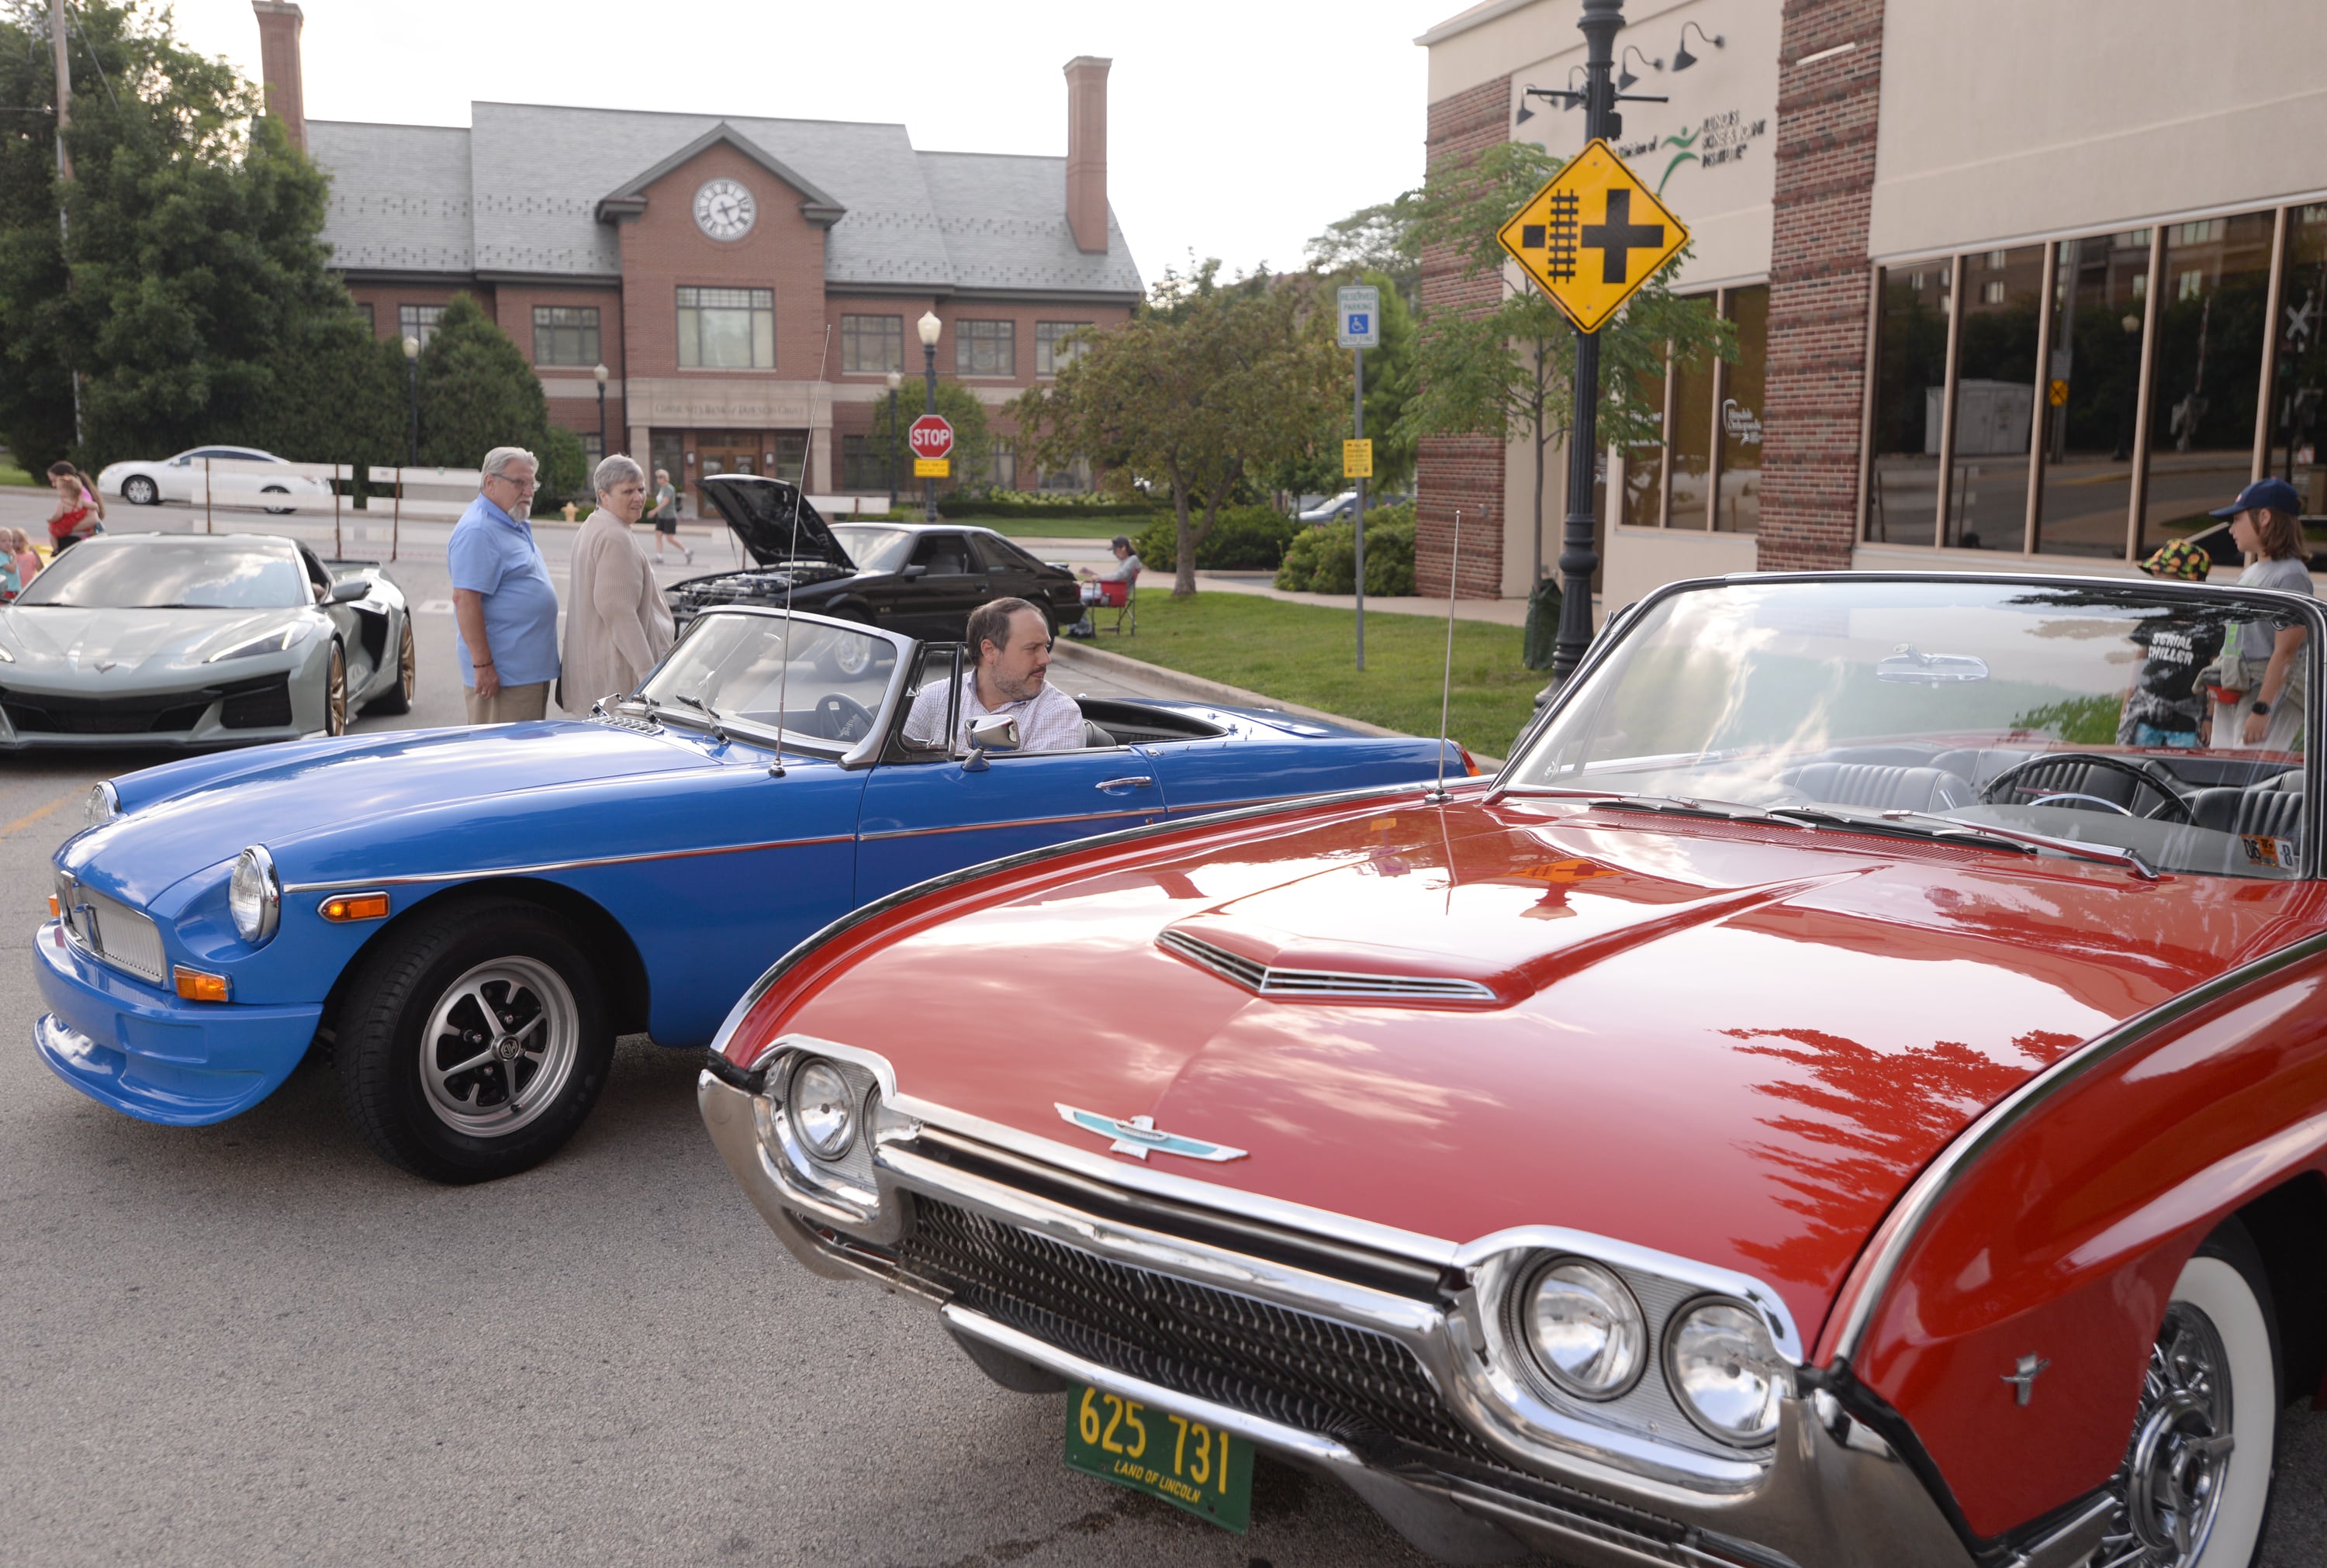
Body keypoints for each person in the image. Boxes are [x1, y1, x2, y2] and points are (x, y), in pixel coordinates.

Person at [449, 446, 561, 724]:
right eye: (519, 483)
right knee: (503, 763)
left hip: (525, 675)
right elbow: (465, 600)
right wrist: (483, 665)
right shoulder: (479, 530)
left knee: (527, 762)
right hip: (503, 680)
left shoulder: (512, 520)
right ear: (490, 482)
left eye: (531, 483)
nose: (529, 491)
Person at [2201, 478, 2312, 752]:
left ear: (2264, 517)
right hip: (2238, 687)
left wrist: (2263, 709)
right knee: (2221, 771)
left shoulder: (2291, 575)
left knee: (2248, 779)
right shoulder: (2251, 572)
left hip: (2267, 693)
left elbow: (2286, 652)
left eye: (2237, 520)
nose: (2231, 530)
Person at [561, 454, 674, 711]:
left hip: (602, 676)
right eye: (628, 491)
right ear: (604, 496)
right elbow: (620, 614)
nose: (638, 497)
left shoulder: (595, 525)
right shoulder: (614, 536)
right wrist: (649, 676)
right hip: (622, 682)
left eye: (641, 489)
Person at [904, 597, 1087, 753]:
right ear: (989, 651)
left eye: (1045, 647)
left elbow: (1038, 790)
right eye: (1032, 648)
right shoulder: (933, 698)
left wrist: (947, 764)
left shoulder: (1058, 712)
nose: (1045, 660)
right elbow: (890, 768)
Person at [2117, 539, 2224, 749]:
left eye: (2161, 574)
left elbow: (2215, 674)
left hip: (2185, 722)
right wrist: (2127, 703)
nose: (2155, 579)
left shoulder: (2209, 624)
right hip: (2146, 717)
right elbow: (2140, 659)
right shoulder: (2157, 615)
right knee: (2137, 766)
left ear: (2188, 579)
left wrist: (2210, 719)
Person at [1067, 534, 1140, 637]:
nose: (1114, 553)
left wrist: (1099, 577)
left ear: (1123, 548)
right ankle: (1074, 629)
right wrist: (1096, 576)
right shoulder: (1126, 561)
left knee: (1079, 597)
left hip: (1115, 595)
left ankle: (1085, 630)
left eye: (1115, 550)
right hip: (1111, 591)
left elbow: (1119, 576)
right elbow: (1116, 578)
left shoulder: (1133, 560)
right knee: (1074, 595)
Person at [43, 463, 101, 556]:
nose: (53, 485)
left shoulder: (79, 495)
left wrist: (65, 529)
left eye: (54, 481)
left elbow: (93, 519)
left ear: (66, 477)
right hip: (75, 538)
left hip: (76, 540)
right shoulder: (74, 494)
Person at [649, 466, 690, 564]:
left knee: (670, 538)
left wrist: (654, 511)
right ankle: (659, 556)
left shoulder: (669, 489)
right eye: (657, 477)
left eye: (660, 477)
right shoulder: (662, 489)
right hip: (661, 516)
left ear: (664, 478)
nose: (658, 479)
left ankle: (687, 551)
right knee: (658, 535)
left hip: (669, 517)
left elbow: (665, 502)